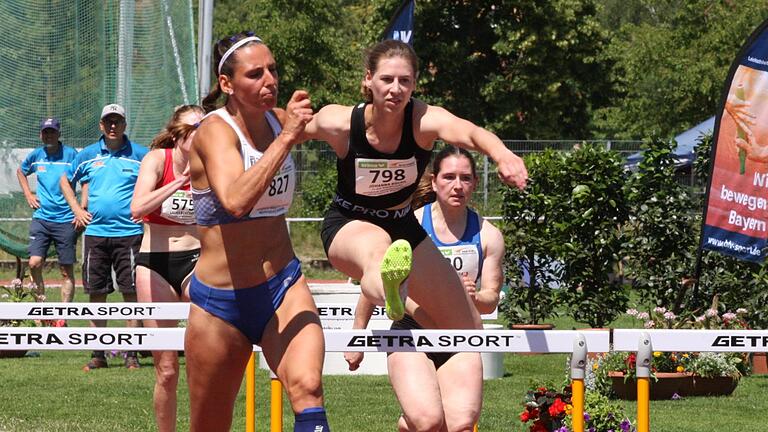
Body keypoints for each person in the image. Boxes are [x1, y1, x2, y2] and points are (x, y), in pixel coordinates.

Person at [186, 32, 330, 432]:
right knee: (209, 426)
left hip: (282, 284)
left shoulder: (279, 118)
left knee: (308, 389)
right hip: (221, 303)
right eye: (255, 74)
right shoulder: (215, 131)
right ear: (227, 84)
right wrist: (286, 138)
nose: (270, 80)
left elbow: (341, 126)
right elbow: (234, 200)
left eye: (273, 69)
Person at [344, 146, 506, 432]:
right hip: (411, 329)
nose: (458, 186)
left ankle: (410, 426)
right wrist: (357, 336)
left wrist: (474, 296)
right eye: (449, 177)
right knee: (428, 421)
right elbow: (379, 282)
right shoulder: (410, 225)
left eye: (466, 178)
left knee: (461, 425)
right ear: (434, 181)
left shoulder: (488, 235)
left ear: (475, 184)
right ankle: (412, 424)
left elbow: (491, 299)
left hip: (459, 331)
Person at [129, 104, 203, 432]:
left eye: (205, 127)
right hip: (155, 263)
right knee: (167, 369)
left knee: (204, 363)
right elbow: (137, 207)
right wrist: (178, 183)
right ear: (177, 135)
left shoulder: (214, 164)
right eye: (193, 129)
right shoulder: (158, 160)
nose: (200, 134)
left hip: (197, 259)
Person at [60, 103, 149, 370]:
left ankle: (131, 354)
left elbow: (157, 183)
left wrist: (147, 212)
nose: (112, 126)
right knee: (96, 294)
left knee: (131, 293)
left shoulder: (141, 155)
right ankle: (98, 354)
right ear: (101, 125)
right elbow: (65, 181)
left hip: (130, 235)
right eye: (108, 121)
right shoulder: (87, 155)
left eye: (117, 121)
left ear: (124, 125)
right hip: (96, 236)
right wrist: (77, 208)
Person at [16, 117, 80, 317]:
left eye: (52, 131)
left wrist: (80, 208)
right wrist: (28, 193)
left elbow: (85, 179)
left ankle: (62, 317)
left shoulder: (71, 155)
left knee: (66, 271)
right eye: (45, 132)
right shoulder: (36, 155)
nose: (49, 135)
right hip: (42, 219)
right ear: (40, 135)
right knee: (34, 263)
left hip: (66, 220)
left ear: (59, 134)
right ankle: (40, 312)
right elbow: (21, 171)